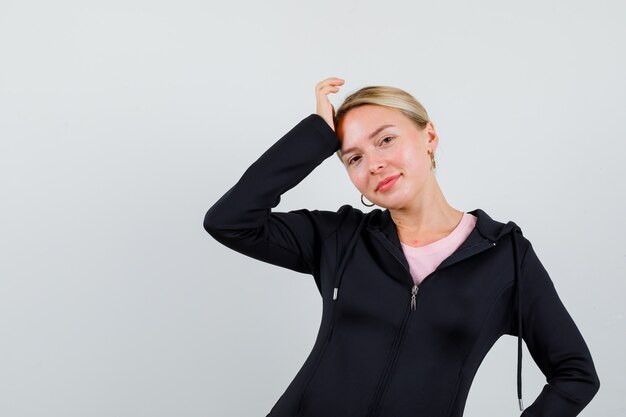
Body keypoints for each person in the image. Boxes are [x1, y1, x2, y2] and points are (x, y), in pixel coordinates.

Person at [203, 77, 600, 417]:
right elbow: (229, 221)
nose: (374, 163)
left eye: (386, 140)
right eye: (354, 157)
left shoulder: (506, 256)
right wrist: (317, 136)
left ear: (429, 136)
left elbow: (575, 373)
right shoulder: (339, 237)